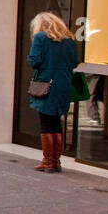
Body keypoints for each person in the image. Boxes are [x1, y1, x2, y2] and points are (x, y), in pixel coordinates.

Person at [27, 11, 79, 173]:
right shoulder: (69, 40)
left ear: (41, 26)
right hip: (64, 84)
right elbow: (75, 62)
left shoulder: (41, 38)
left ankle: (48, 161)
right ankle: (56, 161)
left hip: (46, 84)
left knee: (46, 124)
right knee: (56, 123)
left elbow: (34, 60)